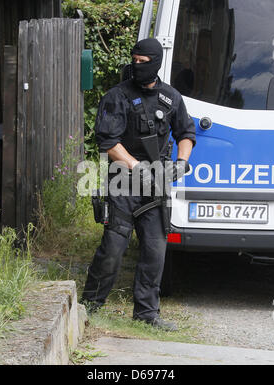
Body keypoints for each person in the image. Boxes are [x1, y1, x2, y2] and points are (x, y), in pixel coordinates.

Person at [81, 38, 196, 331]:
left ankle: (147, 315)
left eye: (143, 62)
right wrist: (136, 166)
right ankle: (90, 306)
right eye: (134, 59)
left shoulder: (171, 97)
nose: (137, 65)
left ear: (156, 63)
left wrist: (181, 162)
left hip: (156, 189)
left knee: (155, 252)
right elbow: (108, 142)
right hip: (123, 185)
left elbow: (186, 132)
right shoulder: (116, 96)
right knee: (113, 249)